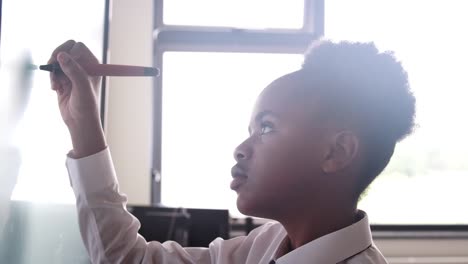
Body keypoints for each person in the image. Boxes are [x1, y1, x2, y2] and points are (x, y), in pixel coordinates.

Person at [49, 39, 415, 264]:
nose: (241, 149)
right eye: (250, 131)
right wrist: (83, 121)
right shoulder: (264, 245)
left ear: (336, 152)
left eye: (267, 127)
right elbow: (129, 260)